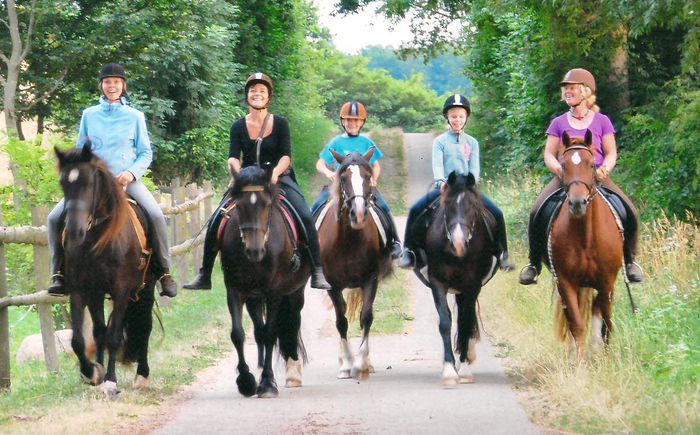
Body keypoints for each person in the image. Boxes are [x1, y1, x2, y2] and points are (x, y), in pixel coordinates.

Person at [183, 72, 331, 290]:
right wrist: (236, 173)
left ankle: (317, 270)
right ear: (247, 96)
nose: (257, 94)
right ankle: (205, 274)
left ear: (269, 96)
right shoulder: (237, 126)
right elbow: (233, 156)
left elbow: (286, 156)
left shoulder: (280, 123)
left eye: (262, 90)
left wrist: (275, 173)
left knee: (305, 216)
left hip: (278, 177)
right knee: (217, 218)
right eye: (253, 90)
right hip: (248, 178)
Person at [47, 63, 177, 297]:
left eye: (116, 82)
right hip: (92, 184)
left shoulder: (135, 116)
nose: (112, 86)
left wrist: (131, 173)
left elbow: (146, 152)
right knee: (54, 217)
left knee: (156, 215)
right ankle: (58, 272)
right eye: (108, 82)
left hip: (126, 179)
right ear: (101, 85)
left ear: (123, 85)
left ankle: (164, 271)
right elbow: (81, 150)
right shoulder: (89, 115)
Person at [518, 68, 644, 285]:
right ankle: (533, 264)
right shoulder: (558, 123)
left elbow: (612, 151)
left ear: (585, 91)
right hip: (565, 177)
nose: (567, 91)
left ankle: (630, 260)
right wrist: (559, 169)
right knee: (535, 211)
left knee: (630, 210)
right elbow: (548, 153)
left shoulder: (602, 121)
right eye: (566, 88)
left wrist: (605, 168)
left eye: (572, 88)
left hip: (596, 177)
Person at [397, 94, 515, 271]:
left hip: (467, 188)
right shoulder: (440, 142)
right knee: (415, 209)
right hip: (447, 188)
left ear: (466, 118)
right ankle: (408, 251)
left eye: (461, 116)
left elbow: (474, 168)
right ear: (447, 118)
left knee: (497, 212)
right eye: (453, 116)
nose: (457, 120)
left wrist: (471, 183)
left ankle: (502, 254)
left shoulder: (472, 142)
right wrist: (441, 181)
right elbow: (437, 164)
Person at [311, 100, 402, 258]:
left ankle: (394, 242)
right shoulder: (336, 142)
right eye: (348, 119)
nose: (352, 123)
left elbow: (376, 165)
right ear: (342, 121)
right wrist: (328, 172)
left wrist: (374, 178)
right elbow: (320, 163)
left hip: (363, 187)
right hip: (340, 187)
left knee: (384, 207)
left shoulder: (366, 142)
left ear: (362, 122)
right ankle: (309, 244)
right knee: (316, 207)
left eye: (356, 120)